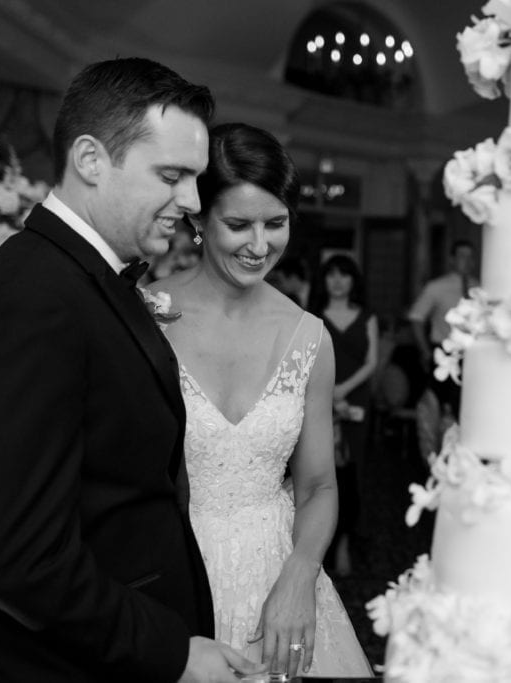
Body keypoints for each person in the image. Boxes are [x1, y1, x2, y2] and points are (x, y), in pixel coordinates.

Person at [0, 58, 263, 682]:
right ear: (90, 160)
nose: (193, 202)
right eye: (172, 175)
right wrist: (171, 651)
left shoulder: (82, 279)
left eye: (195, 180)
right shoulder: (29, 297)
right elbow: (22, 560)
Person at [150, 122, 372, 679]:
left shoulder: (308, 338)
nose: (259, 245)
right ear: (198, 219)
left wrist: (300, 576)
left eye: (275, 224)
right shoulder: (144, 316)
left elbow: (319, 484)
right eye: (238, 224)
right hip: (167, 572)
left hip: (280, 574)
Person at [308, 254, 379, 577]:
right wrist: (328, 392)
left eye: (344, 275)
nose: (337, 281)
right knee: (320, 471)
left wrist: (343, 389)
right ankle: (319, 543)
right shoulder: (313, 316)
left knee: (356, 472)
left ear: (354, 280)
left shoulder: (367, 317)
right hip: (319, 399)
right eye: (331, 275)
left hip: (356, 400)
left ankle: (347, 541)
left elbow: (371, 362)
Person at [407, 240, 478, 457]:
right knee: (438, 406)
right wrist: (425, 350)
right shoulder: (436, 287)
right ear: (452, 259)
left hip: (474, 355)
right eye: (461, 256)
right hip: (445, 352)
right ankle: (434, 454)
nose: (465, 261)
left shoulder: (479, 288)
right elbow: (416, 317)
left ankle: (466, 453)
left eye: (469, 257)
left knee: (468, 405)